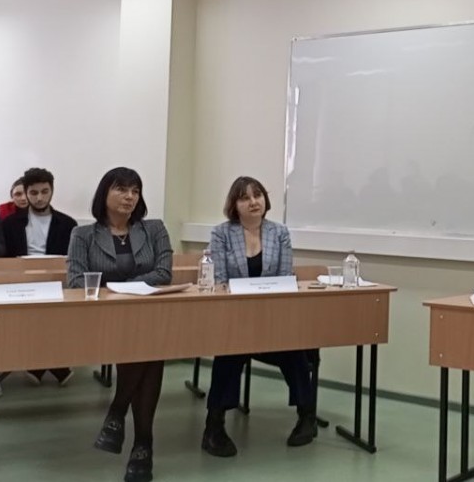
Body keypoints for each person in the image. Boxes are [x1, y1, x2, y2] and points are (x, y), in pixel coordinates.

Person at [67, 167, 172, 482]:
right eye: (121, 189)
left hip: (146, 315)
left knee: (149, 346)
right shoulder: (83, 235)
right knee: (150, 351)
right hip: (103, 317)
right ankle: (140, 440)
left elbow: (164, 273)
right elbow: (76, 280)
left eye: (135, 191)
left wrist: (118, 286)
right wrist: (124, 289)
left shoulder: (154, 229)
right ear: (105, 194)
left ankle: (128, 425)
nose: (129, 196)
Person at [200, 176, 316, 457]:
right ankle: (214, 425)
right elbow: (221, 281)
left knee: (295, 348)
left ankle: (307, 416)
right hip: (235, 317)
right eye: (245, 197)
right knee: (230, 350)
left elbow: (285, 278)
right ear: (234, 205)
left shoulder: (280, 233)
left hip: (272, 316)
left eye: (258, 195)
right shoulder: (222, 233)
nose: (253, 202)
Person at [3, 167, 77, 386]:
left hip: (56, 282)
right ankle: (52, 366)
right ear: (26, 193)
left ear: (52, 191)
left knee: (53, 319)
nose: (39, 198)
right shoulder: (10, 223)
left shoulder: (68, 224)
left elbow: (72, 259)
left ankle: (41, 364)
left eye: (45, 192)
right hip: (20, 282)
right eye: (34, 193)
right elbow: (5, 258)